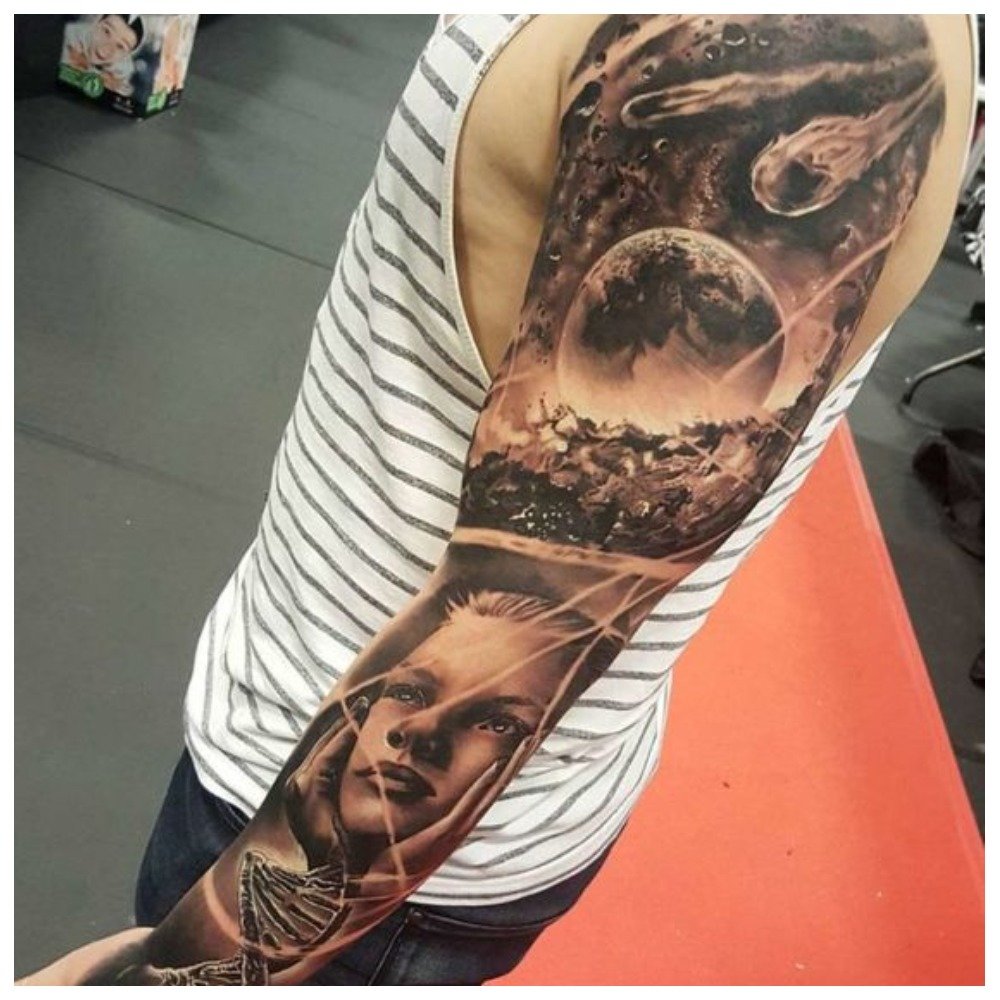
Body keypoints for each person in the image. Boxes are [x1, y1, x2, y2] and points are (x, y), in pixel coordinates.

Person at [22, 14, 975, 986]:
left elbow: (535, 625)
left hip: (348, 880)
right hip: (302, 751)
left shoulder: (787, 44)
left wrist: (164, 979)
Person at [63, 15, 144, 94]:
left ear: (126, 56)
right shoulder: (69, 33)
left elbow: (123, 91)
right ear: (96, 23)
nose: (105, 49)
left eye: (120, 46)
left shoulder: (124, 68)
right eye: (106, 31)